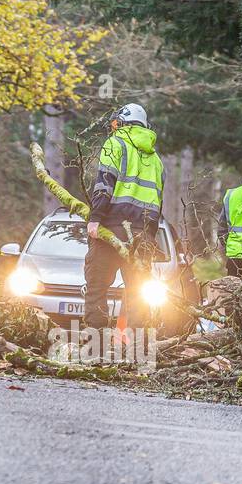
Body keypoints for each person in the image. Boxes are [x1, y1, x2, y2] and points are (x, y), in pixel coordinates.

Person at [84, 103, 164, 333]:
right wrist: (150, 235)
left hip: (111, 229)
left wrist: (95, 217)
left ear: (122, 122)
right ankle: (139, 350)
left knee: (97, 286)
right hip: (143, 234)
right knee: (139, 293)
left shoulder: (115, 143)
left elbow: (104, 184)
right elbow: (158, 203)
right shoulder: (156, 160)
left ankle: (96, 346)